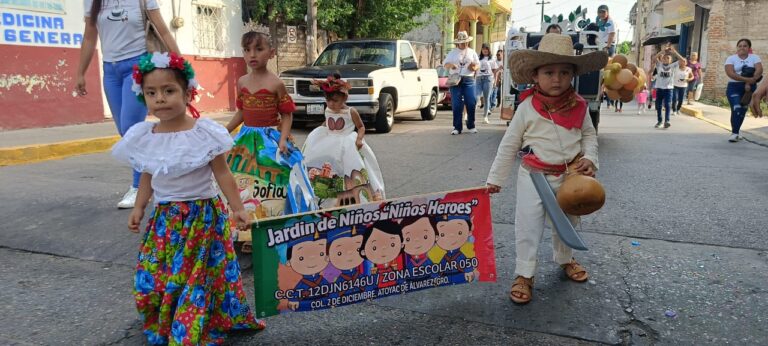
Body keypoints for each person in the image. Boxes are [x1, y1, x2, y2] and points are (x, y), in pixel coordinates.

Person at [111, 52, 263, 344]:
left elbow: (223, 174)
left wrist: (238, 208)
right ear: (143, 97)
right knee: (160, 274)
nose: (160, 99)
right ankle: (170, 317)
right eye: (151, 93)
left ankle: (188, 326)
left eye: (169, 91)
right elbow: (147, 175)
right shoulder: (146, 135)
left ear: (188, 93)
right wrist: (139, 207)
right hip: (165, 221)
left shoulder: (204, 133)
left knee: (196, 276)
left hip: (203, 217)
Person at [486, 34, 606, 305]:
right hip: (534, 176)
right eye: (549, 72)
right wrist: (495, 179)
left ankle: (565, 258)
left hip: (570, 175)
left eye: (564, 72)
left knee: (568, 221)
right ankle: (524, 273)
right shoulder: (527, 107)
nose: (557, 79)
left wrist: (590, 158)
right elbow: (509, 145)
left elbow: (589, 135)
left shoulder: (580, 106)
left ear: (573, 75)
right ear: (535, 76)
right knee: (528, 226)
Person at [77, 0, 180, 209]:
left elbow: (164, 31)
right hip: (111, 70)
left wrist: (180, 64)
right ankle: (157, 169)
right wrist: (80, 72)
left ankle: (138, 187)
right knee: (125, 132)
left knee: (130, 128)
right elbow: (89, 36)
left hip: (138, 65)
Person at [225, 28, 316, 250]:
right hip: (247, 138)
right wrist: (224, 131)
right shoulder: (242, 82)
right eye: (247, 50)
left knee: (277, 180)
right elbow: (241, 112)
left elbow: (286, 114)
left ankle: (279, 226)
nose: (252, 55)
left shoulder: (276, 83)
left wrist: (283, 139)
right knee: (241, 182)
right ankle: (244, 232)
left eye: (259, 49)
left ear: (271, 53)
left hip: (269, 138)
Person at [301, 73, 385, 209]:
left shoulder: (351, 112)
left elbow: (361, 127)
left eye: (335, 100)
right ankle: (320, 198)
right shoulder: (328, 109)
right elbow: (327, 121)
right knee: (319, 166)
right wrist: (318, 133)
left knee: (349, 170)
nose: (331, 104)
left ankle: (355, 199)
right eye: (328, 100)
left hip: (346, 142)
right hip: (327, 140)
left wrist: (359, 139)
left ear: (344, 98)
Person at [724, 38, 763, 142]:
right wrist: (747, 80)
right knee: (736, 108)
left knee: (742, 110)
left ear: (749, 48)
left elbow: (759, 70)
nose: (742, 47)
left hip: (750, 88)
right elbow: (731, 73)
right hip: (734, 86)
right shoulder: (731, 58)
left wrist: (751, 81)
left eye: (745, 46)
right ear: (737, 47)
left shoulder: (754, 57)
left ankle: (736, 132)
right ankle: (735, 133)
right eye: (740, 46)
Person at [443, 31, 480, 135]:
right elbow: (445, 64)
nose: (463, 44)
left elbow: (478, 65)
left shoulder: (472, 52)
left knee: (471, 102)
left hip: (469, 79)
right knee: (456, 104)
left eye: (465, 42)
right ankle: (457, 127)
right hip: (455, 79)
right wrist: (451, 65)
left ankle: (471, 125)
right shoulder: (452, 52)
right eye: (461, 42)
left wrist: (473, 67)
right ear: (457, 43)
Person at [653, 44, 684, 129]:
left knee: (667, 104)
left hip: (668, 89)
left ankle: (667, 121)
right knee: (659, 106)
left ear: (671, 61)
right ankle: (659, 121)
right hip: (659, 88)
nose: (666, 59)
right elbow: (654, 58)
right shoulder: (659, 65)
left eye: (668, 58)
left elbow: (683, 60)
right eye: (665, 58)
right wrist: (663, 51)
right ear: (662, 59)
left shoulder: (673, 66)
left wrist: (675, 52)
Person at [477, 43, 498, 124]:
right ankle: (469, 115)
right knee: (476, 97)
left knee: (486, 98)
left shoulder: (492, 58)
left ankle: (485, 117)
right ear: (481, 50)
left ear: (489, 50)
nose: (485, 50)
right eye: (483, 49)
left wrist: (495, 81)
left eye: (487, 49)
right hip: (478, 79)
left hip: (488, 79)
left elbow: (494, 71)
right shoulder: (478, 58)